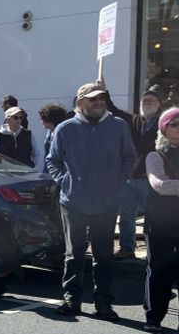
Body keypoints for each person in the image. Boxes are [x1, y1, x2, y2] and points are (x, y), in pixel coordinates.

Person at [46, 81, 136, 318]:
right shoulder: (65, 129)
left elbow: (130, 156)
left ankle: (103, 303)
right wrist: (64, 180)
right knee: (73, 254)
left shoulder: (118, 126)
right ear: (80, 102)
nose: (99, 102)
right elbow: (52, 160)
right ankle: (71, 300)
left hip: (106, 203)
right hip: (73, 202)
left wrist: (119, 181)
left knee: (103, 256)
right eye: (93, 98)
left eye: (101, 98)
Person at [142, 107, 179, 333]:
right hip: (160, 224)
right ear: (164, 128)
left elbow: (172, 186)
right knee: (159, 271)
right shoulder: (155, 156)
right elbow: (160, 185)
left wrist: (178, 186)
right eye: (174, 123)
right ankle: (153, 318)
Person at [117, 87, 164, 259]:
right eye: (145, 100)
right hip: (130, 178)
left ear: (159, 105)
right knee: (126, 216)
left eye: (151, 100)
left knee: (153, 217)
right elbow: (114, 110)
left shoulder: (164, 123)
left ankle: (155, 250)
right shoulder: (134, 120)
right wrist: (103, 90)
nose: (147, 102)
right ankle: (127, 248)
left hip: (150, 179)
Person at [37, 103, 67, 174]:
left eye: (42, 119)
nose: (41, 122)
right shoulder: (49, 133)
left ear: (49, 119)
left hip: (59, 175)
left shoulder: (63, 135)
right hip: (49, 173)